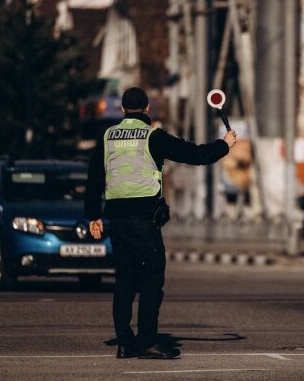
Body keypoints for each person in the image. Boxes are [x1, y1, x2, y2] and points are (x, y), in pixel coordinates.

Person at [85, 87, 237, 360]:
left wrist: (93, 215)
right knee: (152, 281)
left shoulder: (107, 136)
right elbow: (195, 155)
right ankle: (146, 342)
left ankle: (124, 343)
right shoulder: (152, 136)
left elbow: (94, 177)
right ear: (147, 110)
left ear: (122, 110)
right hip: (144, 219)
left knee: (124, 282)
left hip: (117, 219)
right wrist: (224, 144)